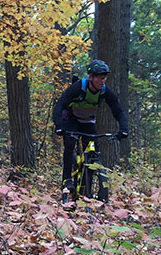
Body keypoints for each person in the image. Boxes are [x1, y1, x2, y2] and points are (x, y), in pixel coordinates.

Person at [53, 59, 128, 203]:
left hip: (88, 120)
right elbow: (60, 104)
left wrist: (123, 129)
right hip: (70, 118)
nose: (102, 81)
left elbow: (118, 111)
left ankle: (87, 187)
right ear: (91, 77)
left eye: (104, 78)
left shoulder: (105, 91)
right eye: (100, 77)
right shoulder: (77, 87)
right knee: (70, 143)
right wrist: (58, 125)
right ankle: (67, 181)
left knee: (93, 152)